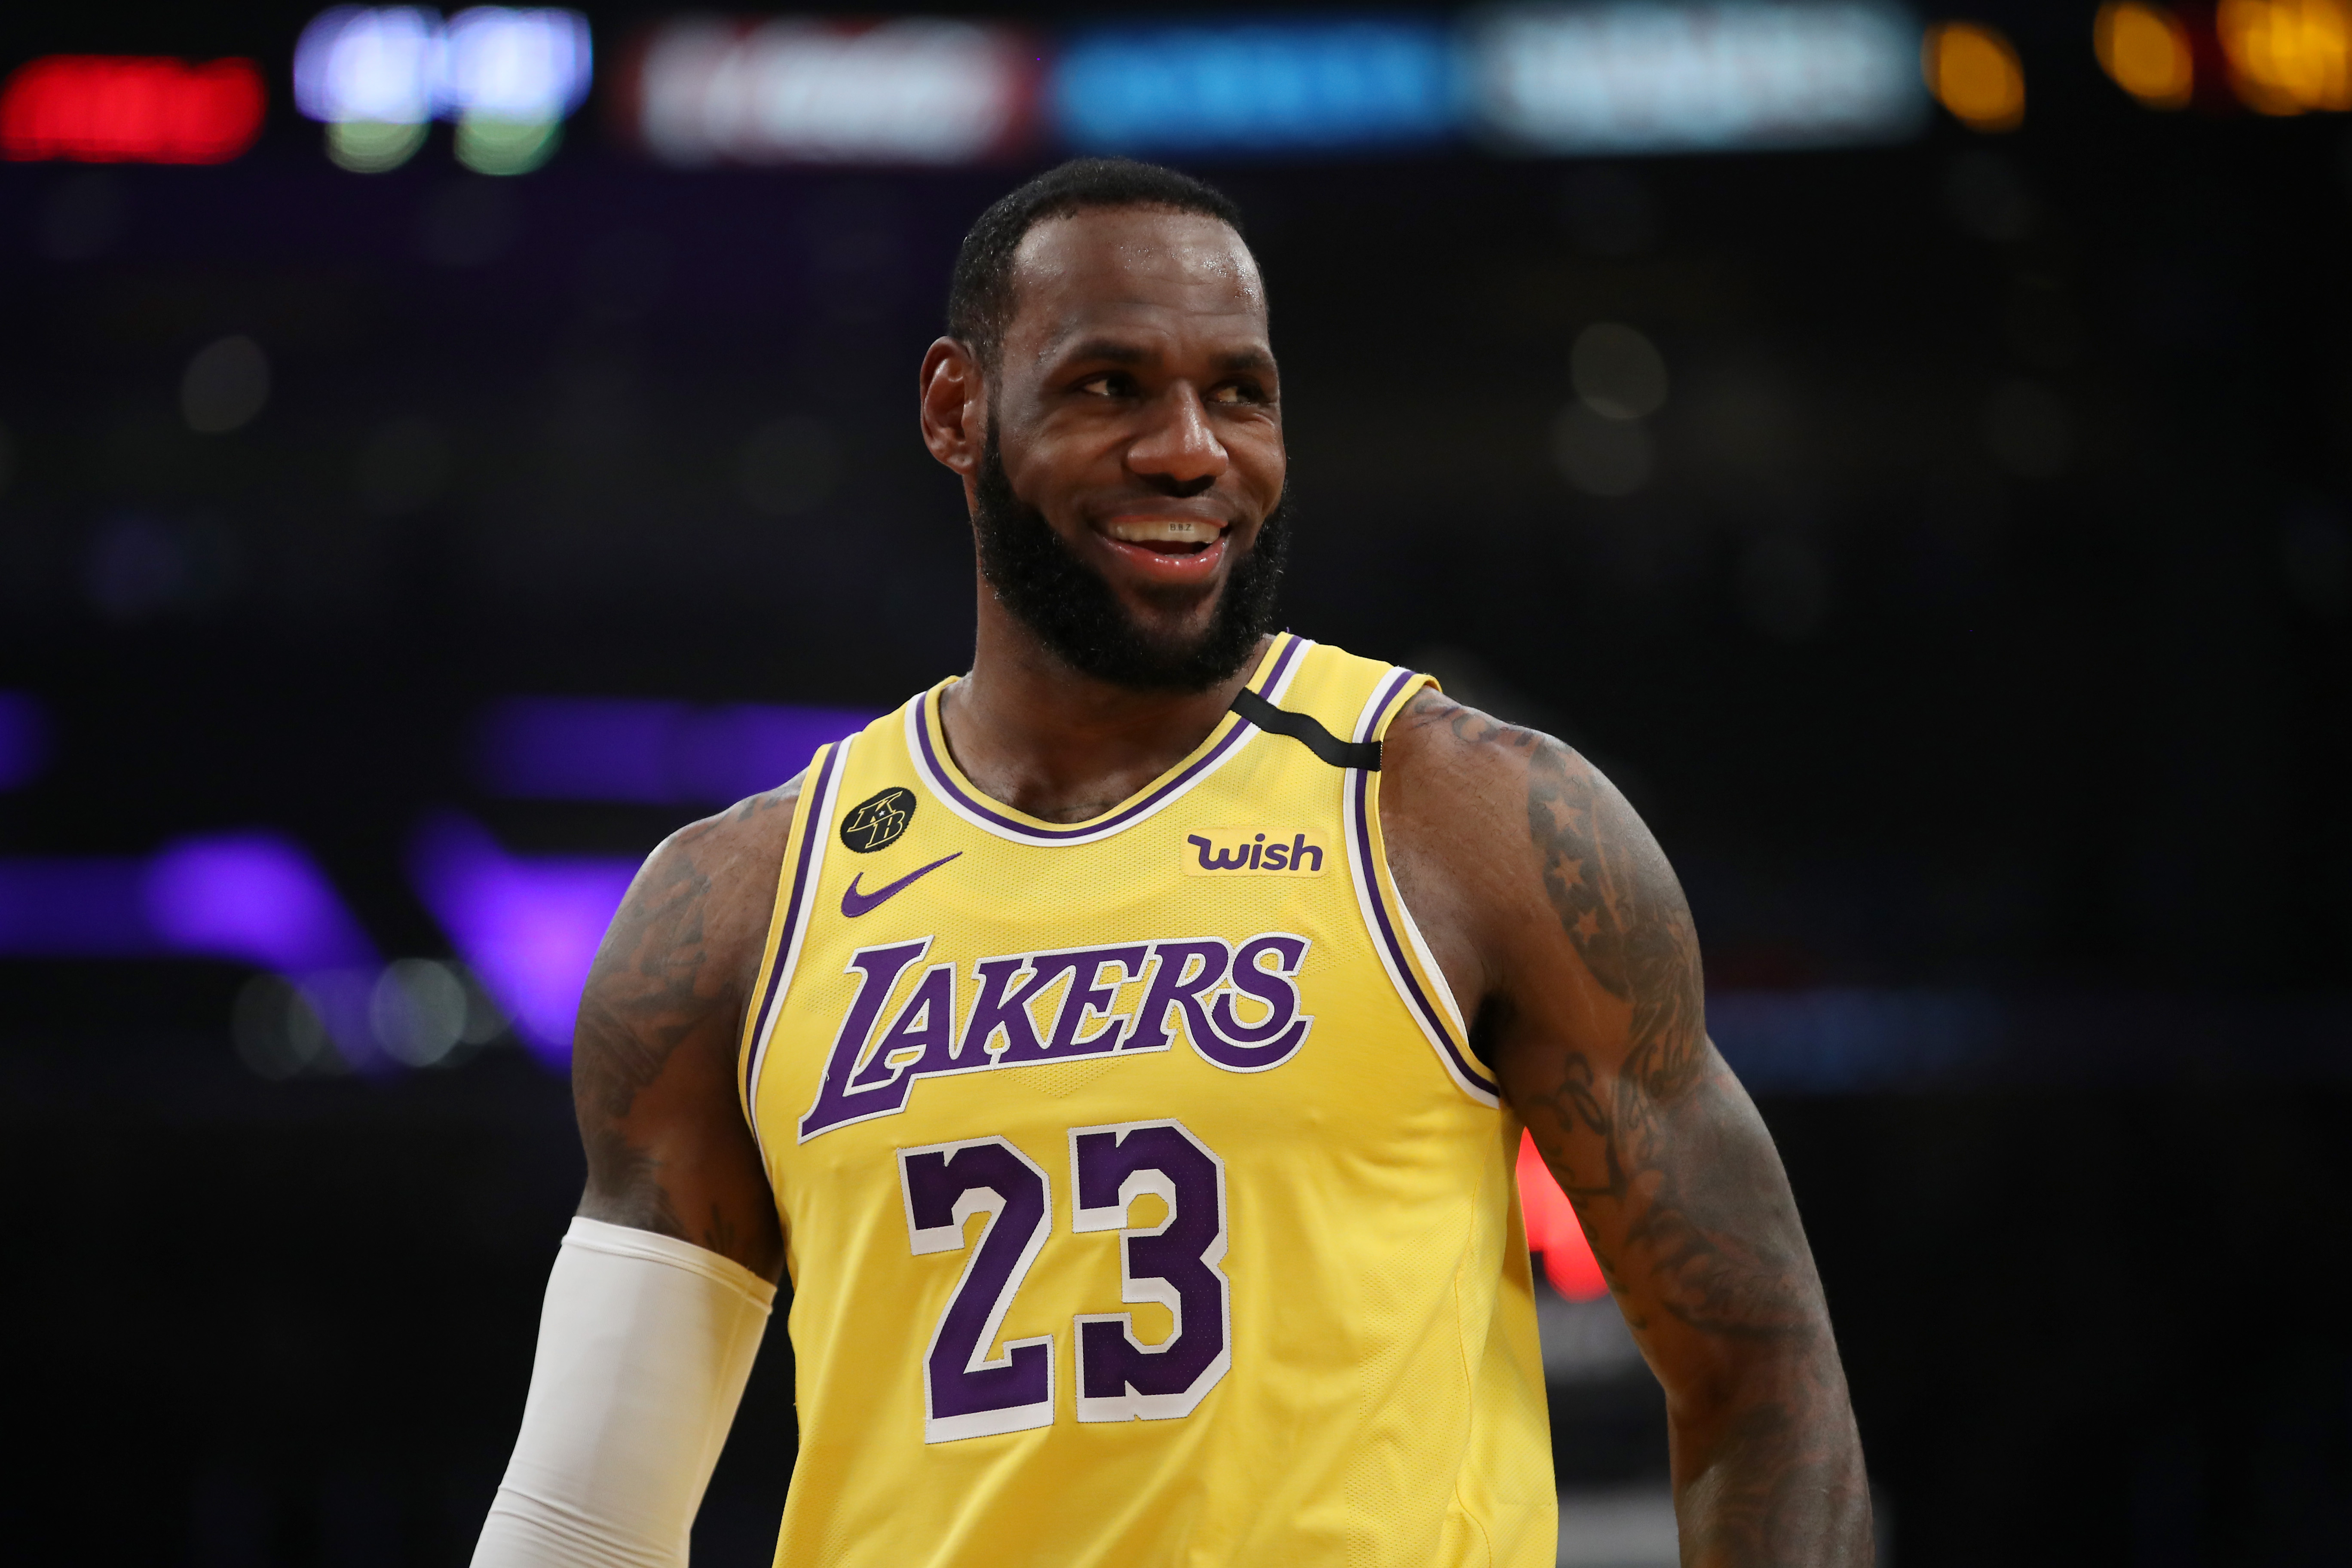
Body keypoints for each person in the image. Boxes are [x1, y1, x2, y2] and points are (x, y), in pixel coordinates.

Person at [471, 158, 1870, 1568]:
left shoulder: (1463, 819)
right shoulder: (742, 907)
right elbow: (586, 1525)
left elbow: (1765, 1379)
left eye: (1240, 393)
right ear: (957, 408)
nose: (1192, 449)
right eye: (1109, 387)